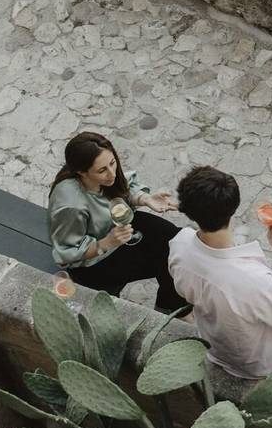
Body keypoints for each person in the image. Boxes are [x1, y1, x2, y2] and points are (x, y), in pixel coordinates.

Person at [167, 166, 272, 380]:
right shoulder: (251, 280)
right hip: (264, 363)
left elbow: (183, 290)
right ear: (233, 207)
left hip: (217, 348)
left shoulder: (179, 244)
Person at [47, 131, 188, 313]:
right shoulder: (71, 205)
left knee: (176, 240)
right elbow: (67, 252)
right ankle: (172, 310)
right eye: (102, 170)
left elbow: (122, 189)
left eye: (112, 163)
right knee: (168, 260)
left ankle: (172, 307)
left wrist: (145, 199)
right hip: (93, 264)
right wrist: (107, 243)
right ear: (82, 172)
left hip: (116, 231)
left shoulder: (104, 178)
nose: (112, 173)